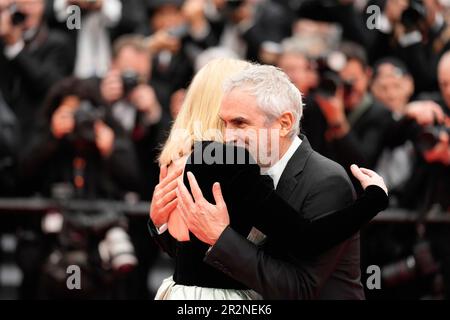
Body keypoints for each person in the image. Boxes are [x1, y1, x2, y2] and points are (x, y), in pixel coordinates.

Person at [148, 59, 389, 300]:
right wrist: (160, 222)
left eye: (240, 123)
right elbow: (196, 257)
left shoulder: (325, 180)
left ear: (284, 124)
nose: (229, 135)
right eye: (225, 122)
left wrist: (221, 239)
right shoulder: (225, 162)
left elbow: (300, 288)